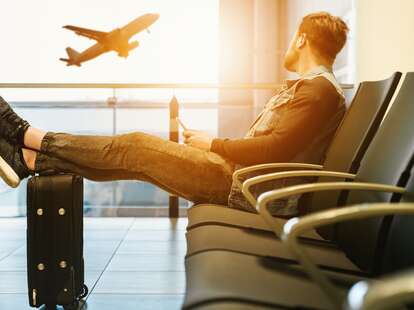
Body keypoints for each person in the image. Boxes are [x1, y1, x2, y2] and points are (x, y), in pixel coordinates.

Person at [0, 12, 348, 216]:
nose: (288, 45)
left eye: (292, 39)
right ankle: (29, 160)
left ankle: (24, 134)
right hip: (242, 180)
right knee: (136, 162)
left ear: (302, 40)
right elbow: (275, 148)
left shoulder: (318, 91)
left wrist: (213, 143)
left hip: (245, 188)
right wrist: (213, 146)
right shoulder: (314, 88)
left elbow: (275, 150)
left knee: (134, 146)